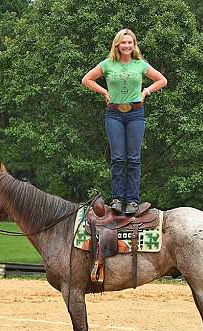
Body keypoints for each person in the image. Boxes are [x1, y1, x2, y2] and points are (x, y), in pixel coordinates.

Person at [82, 28, 167, 215]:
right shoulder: (107, 64)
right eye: (123, 42)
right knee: (118, 158)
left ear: (134, 45)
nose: (127, 45)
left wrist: (146, 92)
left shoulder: (140, 65)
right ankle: (118, 199)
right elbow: (86, 79)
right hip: (114, 114)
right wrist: (104, 92)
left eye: (130, 42)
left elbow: (162, 80)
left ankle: (133, 201)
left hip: (135, 113)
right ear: (117, 45)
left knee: (134, 158)